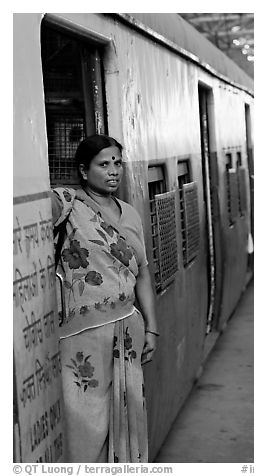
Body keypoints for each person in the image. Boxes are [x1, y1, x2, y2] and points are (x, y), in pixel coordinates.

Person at [50, 134, 158, 463]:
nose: (113, 171)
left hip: (128, 330)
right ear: (84, 170)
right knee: (85, 421)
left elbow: (141, 273)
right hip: (82, 339)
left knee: (126, 417)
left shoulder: (129, 213)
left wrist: (152, 328)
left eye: (117, 163)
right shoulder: (66, 203)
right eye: (103, 164)